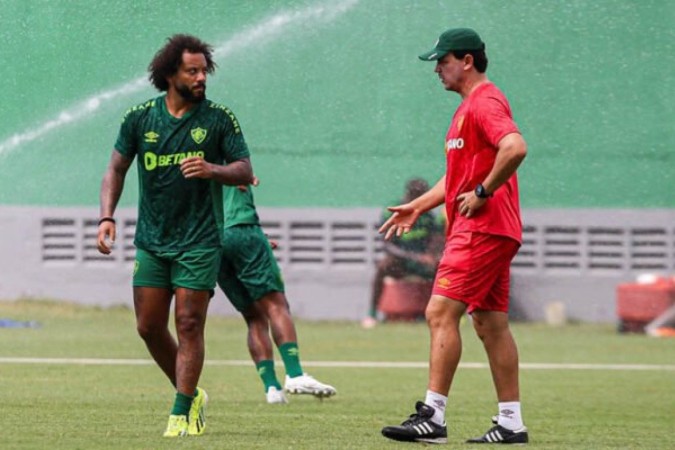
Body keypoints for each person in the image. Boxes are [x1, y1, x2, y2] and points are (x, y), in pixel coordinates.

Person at [97, 34, 254, 437]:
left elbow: (243, 170)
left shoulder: (219, 119)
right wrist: (106, 217)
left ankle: (180, 412)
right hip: (152, 239)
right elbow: (116, 168)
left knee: (187, 323)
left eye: (205, 70)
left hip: (200, 241)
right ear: (170, 74)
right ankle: (192, 394)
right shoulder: (139, 118)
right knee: (148, 326)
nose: (202, 77)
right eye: (193, 71)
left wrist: (212, 170)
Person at [380, 28, 529, 445]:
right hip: (494, 230)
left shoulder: (485, 101)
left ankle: (433, 416)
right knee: (489, 323)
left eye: (442, 61)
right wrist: (419, 206)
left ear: (467, 60)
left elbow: (515, 148)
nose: (437, 70)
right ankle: (511, 423)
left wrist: (483, 193)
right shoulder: (467, 109)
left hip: (481, 228)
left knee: (439, 313)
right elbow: (459, 176)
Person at [218, 179, 336, 404]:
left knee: (253, 317)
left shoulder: (185, 164)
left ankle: (272, 388)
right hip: (241, 228)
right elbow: (239, 177)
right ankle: (295, 374)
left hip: (212, 241)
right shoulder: (224, 150)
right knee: (276, 305)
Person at [362, 178, 443, 328]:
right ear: (409, 195)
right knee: (383, 266)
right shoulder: (395, 212)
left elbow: (436, 239)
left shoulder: (428, 216)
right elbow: (387, 246)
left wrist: (432, 256)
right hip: (401, 262)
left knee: (441, 269)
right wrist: (415, 257)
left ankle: (429, 313)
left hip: (422, 265)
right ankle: (372, 314)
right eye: (416, 196)